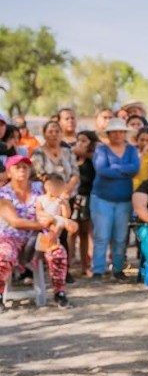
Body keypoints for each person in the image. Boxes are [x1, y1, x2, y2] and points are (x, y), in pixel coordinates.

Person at [0, 155, 71, 310]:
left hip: (40, 235)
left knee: (58, 252)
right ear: (9, 172)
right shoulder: (3, 193)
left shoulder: (40, 188)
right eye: (17, 167)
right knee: (3, 255)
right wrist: (42, 224)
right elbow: (15, 222)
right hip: (11, 236)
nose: (22, 170)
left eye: (25, 167)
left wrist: (55, 228)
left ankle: (59, 292)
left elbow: (57, 207)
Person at [30, 121, 80, 283]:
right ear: (44, 134)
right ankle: (41, 268)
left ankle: (63, 270)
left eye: (57, 131)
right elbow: (39, 174)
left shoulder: (68, 152)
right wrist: (54, 191)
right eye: (50, 131)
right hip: (45, 199)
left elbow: (75, 174)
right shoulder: (38, 152)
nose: (54, 134)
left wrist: (65, 191)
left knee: (63, 233)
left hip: (65, 197)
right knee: (46, 231)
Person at [90, 118, 139, 281]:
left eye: (121, 131)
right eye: (114, 132)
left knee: (120, 237)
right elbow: (102, 170)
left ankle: (118, 269)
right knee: (101, 235)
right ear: (108, 134)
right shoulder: (101, 150)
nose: (118, 134)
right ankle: (98, 269)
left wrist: (115, 168)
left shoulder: (131, 150)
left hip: (124, 199)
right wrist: (125, 171)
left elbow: (136, 168)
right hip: (102, 198)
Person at [71, 130, 98, 277]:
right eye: (78, 140)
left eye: (84, 141)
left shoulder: (93, 158)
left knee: (85, 232)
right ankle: (68, 264)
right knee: (70, 232)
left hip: (87, 197)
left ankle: (85, 265)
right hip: (72, 197)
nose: (80, 143)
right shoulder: (71, 158)